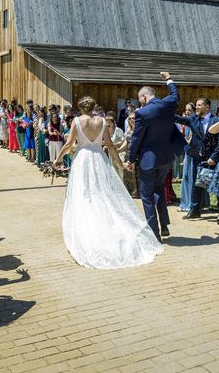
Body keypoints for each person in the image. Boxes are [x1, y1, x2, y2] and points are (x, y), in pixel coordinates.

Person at [54, 96, 163, 269]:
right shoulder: (103, 122)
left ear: (81, 109)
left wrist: (57, 159)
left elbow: (68, 144)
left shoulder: (76, 121)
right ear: (92, 108)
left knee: (84, 193)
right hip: (99, 158)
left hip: (82, 159)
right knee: (103, 192)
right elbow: (110, 145)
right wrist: (119, 165)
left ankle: (88, 226)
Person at [127, 72, 185, 241]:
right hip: (166, 158)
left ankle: (154, 233)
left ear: (144, 97)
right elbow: (175, 94)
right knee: (159, 190)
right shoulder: (167, 104)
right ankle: (164, 226)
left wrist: (131, 159)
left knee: (146, 196)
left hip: (148, 160)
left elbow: (136, 138)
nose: (140, 102)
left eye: (140, 99)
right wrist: (168, 79)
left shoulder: (143, 113)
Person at [175, 97, 219, 219]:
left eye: (199, 105)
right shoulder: (193, 119)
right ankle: (194, 210)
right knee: (196, 183)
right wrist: (166, 111)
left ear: (207, 107)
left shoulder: (217, 121)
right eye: (196, 105)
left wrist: (213, 157)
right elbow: (180, 119)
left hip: (213, 158)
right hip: (197, 157)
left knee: (216, 183)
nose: (196, 107)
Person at [123, 112, 139, 197]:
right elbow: (126, 142)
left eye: (134, 118)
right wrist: (118, 149)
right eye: (130, 118)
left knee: (137, 174)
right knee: (128, 173)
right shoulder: (128, 131)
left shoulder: (140, 130)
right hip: (128, 154)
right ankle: (131, 193)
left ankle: (138, 193)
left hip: (138, 155)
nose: (132, 120)